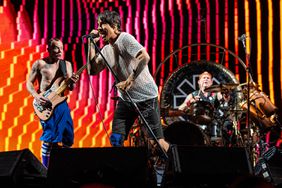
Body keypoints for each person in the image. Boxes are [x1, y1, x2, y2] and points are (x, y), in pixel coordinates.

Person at [87, 10, 170, 153]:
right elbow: (92, 70)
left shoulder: (124, 38)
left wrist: (129, 80)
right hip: (126, 100)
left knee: (157, 143)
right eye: (98, 24)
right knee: (116, 139)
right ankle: (124, 172)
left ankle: (176, 163)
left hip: (146, 97)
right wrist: (90, 44)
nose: (99, 28)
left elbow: (145, 57)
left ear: (114, 26)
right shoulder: (106, 50)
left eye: (103, 24)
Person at [26, 38, 79, 168]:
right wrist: (36, 96)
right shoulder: (39, 64)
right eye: (56, 48)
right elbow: (28, 83)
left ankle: (64, 168)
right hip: (45, 105)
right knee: (49, 138)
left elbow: (70, 88)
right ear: (48, 49)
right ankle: (45, 170)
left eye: (61, 48)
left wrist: (72, 81)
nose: (60, 51)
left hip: (61, 104)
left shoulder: (66, 65)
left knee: (68, 138)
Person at [178, 71, 233, 145]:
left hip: (213, 125)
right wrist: (190, 102)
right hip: (197, 125)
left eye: (208, 78)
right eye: (204, 78)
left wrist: (226, 95)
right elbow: (180, 108)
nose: (206, 79)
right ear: (199, 82)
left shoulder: (215, 93)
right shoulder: (193, 95)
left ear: (211, 82)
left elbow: (223, 99)